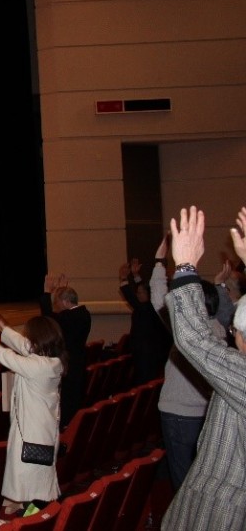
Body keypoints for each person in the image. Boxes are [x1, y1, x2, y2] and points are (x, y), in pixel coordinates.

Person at [161, 205, 246, 531]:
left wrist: (184, 266)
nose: (230, 334)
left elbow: (194, 340)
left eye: (236, 331)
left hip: (221, 513)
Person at [148, 234, 230, 494]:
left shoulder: (188, 334)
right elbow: (224, 307)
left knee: (183, 481)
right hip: (207, 413)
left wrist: (160, 261)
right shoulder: (220, 330)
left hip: (179, 413)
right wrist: (220, 285)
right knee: (204, 476)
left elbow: (159, 298)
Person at [0, 314, 66, 515]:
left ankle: (34, 515)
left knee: (32, 481)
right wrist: (4, 329)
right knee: (30, 479)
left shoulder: (38, 366)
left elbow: (6, 356)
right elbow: (24, 346)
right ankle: (30, 509)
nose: (26, 340)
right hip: (39, 429)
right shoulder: (51, 360)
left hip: (33, 434)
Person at [39, 273, 91, 428]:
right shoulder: (83, 313)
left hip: (69, 366)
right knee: (73, 400)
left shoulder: (69, 318)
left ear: (66, 301)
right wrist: (61, 289)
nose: (56, 305)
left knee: (68, 404)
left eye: (58, 302)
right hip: (78, 362)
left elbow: (48, 317)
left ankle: (67, 431)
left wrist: (47, 292)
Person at [119, 257, 173, 385]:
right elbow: (144, 291)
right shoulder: (152, 304)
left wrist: (123, 279)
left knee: (144, 381)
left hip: (146, 353)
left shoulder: (147, 307)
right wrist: (136, 276)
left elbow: (133, 298)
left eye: (140, 293)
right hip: (151, 351)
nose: (138, 295)